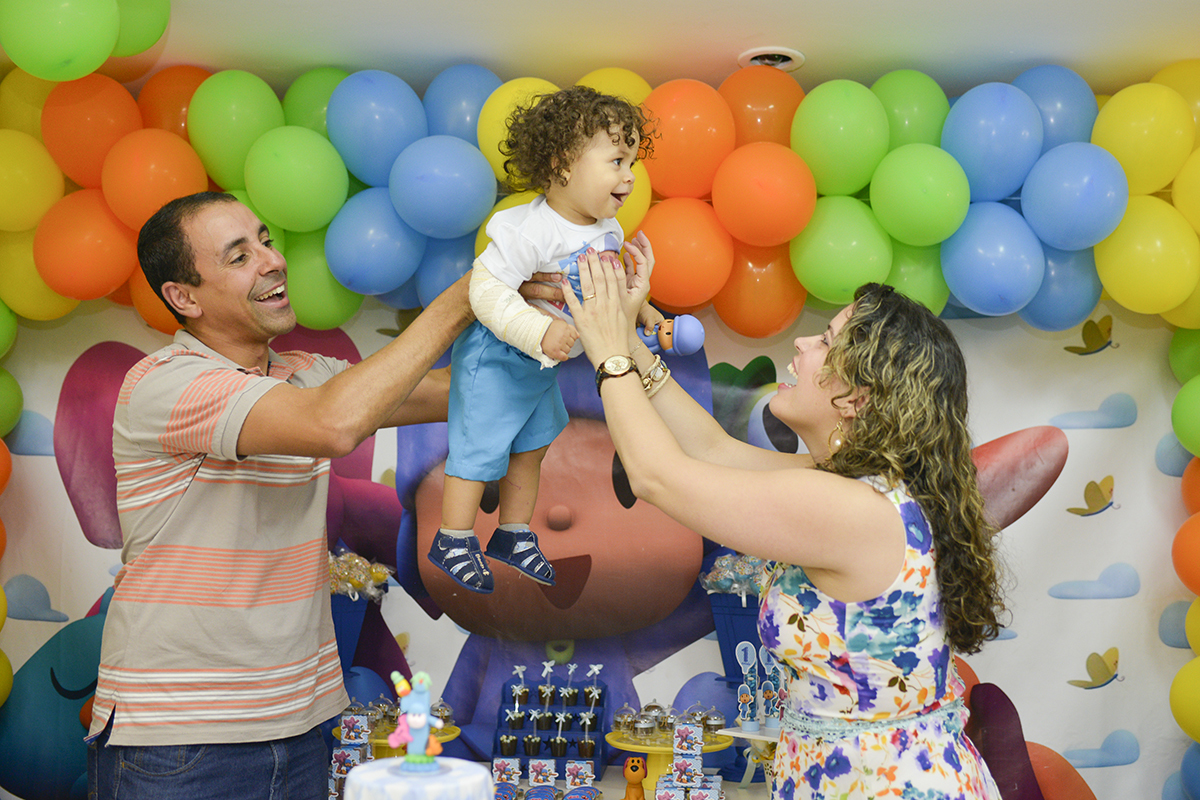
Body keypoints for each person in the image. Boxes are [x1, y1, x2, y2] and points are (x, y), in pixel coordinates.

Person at [85, 191, 554, 800]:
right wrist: (466, 295)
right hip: (181, 741)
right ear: (185, 297)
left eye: (265, 240)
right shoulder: (168, 384)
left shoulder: (309, 374)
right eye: (238, 256)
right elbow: (336, 424)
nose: (271, 261)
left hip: (303, 725)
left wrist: (541, 321)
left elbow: (470, 395)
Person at [562, 251, 1005, 800]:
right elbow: (710, 449)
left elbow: (658, 479)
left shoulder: (847, 510)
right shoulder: (859, 492)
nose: (801, 345)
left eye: (825, 341)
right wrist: (629, 341)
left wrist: (607, 357)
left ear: (859, 395)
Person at [427, 85, 661, 594]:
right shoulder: (528, 229)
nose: (629, 176)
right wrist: (540, 330)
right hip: (498, 357)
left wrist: (643, 310)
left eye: (632, 162)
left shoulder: (608, 230)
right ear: (562, 164)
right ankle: (452, 537)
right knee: (479, 448)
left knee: (531, 447)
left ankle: (512, 533)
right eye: (618, 160)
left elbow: (609, 283)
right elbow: (484, 291)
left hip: (541, 366)